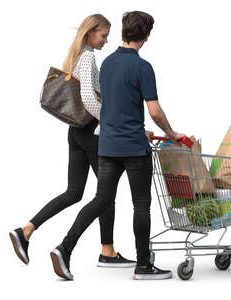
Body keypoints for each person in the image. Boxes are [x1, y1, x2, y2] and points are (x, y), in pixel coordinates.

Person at [50, 11, 186, 281]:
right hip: (134, 148)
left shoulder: (108, 63)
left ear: (124, 32)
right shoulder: (143, 67)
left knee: (100, 200)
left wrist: (135, 125)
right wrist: (170, 132)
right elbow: (155, 111)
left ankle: (64, 248)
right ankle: (144, 266)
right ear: (146, 36)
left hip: (107, 145)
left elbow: (110, 105)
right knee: (141, 206)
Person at [9, 14, 136, 270]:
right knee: (105, 193)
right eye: (103, 36)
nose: (105, 41)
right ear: (90, 33)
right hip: (90, 133)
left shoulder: (75, 55)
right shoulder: (88, 56)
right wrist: (109, 121)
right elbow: (89, 100)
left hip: (75, 132)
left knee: (74, 192)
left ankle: (26, 230)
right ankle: (104, 251)